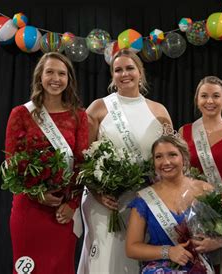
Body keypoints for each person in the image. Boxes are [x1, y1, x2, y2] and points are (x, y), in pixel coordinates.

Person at [78, 49, 172, 274]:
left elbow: (169, 155)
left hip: (142, 200)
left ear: (140, 72)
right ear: (112, 76)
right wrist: (98, 192)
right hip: (104, 201)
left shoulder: (159, 110)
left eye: (130, 68)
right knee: (105, 258)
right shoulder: (99, 107)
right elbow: (83, 157)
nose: (124, 74)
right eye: (118, 70)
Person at [5, 52, 88, 274]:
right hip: (29, 209)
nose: (55, 78)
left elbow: (81, 165)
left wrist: (72, 205)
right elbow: (11, 163)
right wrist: (36, 193)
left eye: (62, 73)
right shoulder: (21, 114)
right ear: (39, 76)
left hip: (62, 211)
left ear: (68, 79)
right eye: (49, 72)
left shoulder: (79, 116)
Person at [179, 76, 222, 274]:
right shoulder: (184, 132)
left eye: (216, 96)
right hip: (191, 210)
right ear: (196, 100)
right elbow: (178, 175)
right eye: (204, 96)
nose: (210, 101)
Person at [126, 135, 214, 273]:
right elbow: (132, 248)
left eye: (172, 155)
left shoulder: (205, 190)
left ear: (183, 158)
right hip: (160, 267)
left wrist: (215, 243)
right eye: (159, 157)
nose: (166, 162)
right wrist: (169, 252)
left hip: (198, 265)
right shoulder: (145, 198)